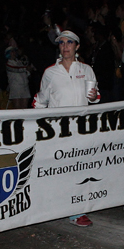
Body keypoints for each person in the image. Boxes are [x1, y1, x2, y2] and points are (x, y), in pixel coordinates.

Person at [32, 30, 101, 226]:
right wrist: (36, 125)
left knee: (79, 169)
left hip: (81, 129)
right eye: (61, 43)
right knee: (61, 170)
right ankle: (59, 207)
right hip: (58, 131)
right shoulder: (50, 72)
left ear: (77, 46)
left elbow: (95, 97)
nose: (65, 46)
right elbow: (40, 101)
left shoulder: (86, 70)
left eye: (69, 42)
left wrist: (94, 96)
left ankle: (75, 210)